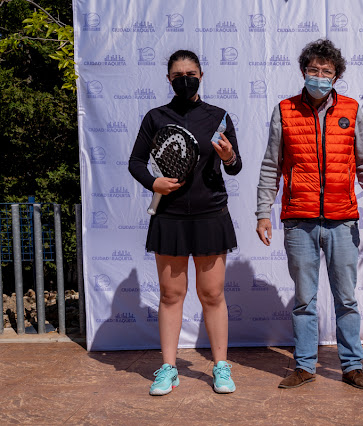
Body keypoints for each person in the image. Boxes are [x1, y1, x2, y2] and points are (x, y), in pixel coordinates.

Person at [256, 39, 363, 390]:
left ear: (336, 76)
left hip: (343, 219)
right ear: (303, 71)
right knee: (304, 300)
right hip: (299, 219)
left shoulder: (351, 110)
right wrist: (263, 212)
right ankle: (304, 365)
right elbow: (271, 165)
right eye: (314, 70)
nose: (320, 76)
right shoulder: (285, 110)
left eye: (327, 71)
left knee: (346, 299)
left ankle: (352, 366)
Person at [129, 49, 241, 396]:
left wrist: (229, 157)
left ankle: (220, 366)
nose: (185, 80)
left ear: (201, 76)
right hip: (170, 219)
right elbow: (135, 162)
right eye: (178, 76)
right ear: (169, 79)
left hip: (211, 216)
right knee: (171, 294)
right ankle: (169, 368)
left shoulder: (219, 117)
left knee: (212, 294)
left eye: (191, 74)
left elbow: (235, 167)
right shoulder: (155, 117)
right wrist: (154, 183)